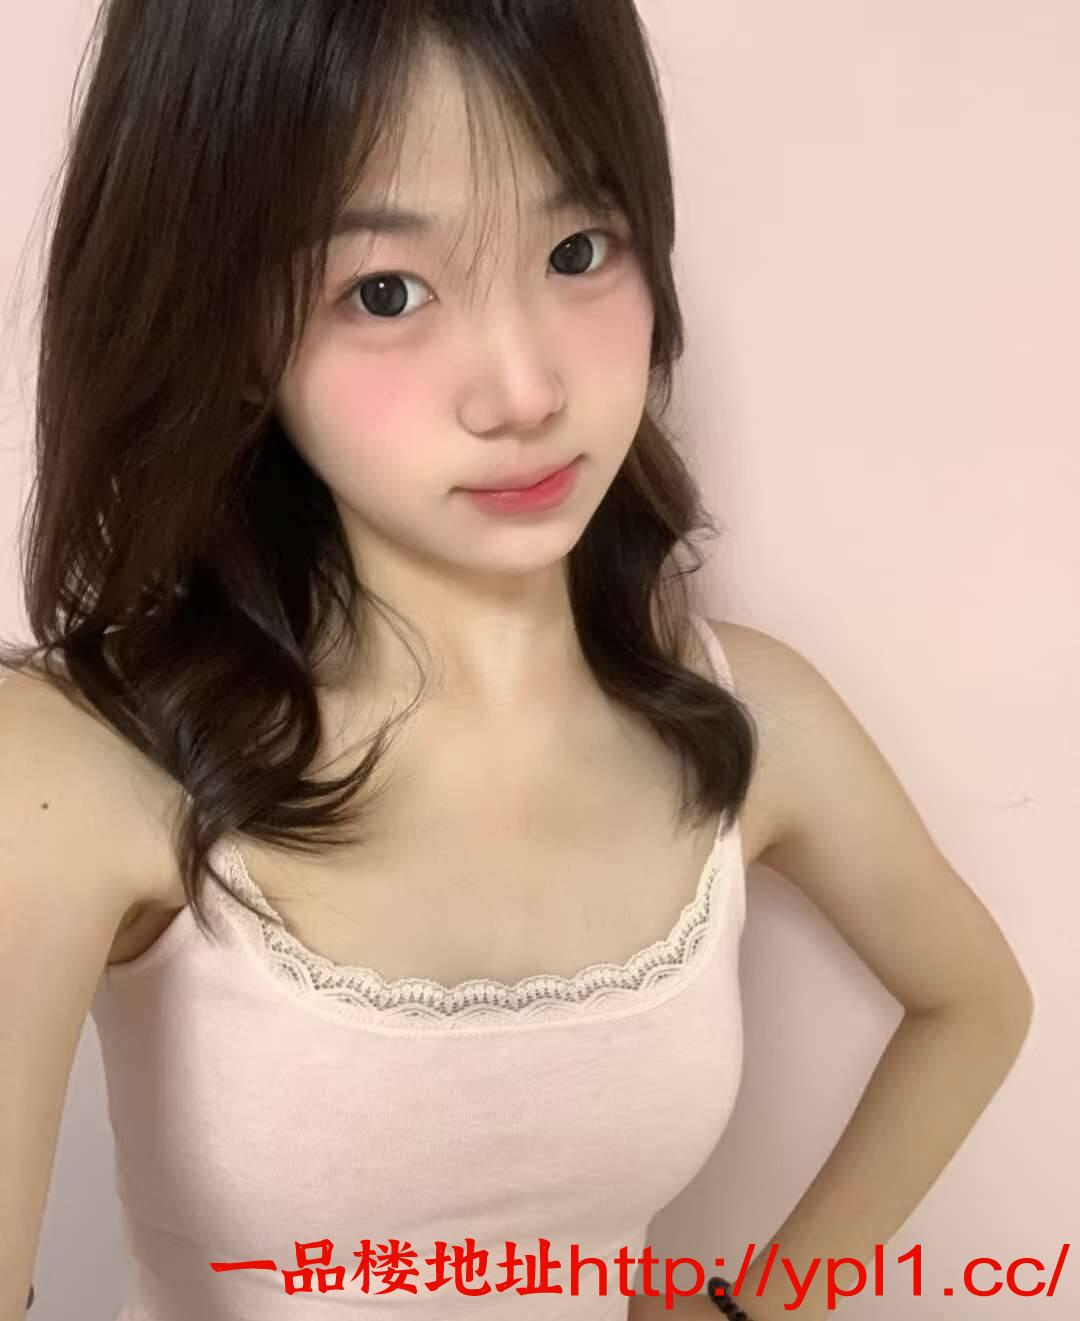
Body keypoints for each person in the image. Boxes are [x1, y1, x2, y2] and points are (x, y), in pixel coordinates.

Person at [0, 3, 1033, 1320]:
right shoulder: (77, 769)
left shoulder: (747, 721)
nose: (525, 389)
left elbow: (976, 1002)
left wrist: (751, 1310)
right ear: (233, 326)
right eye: (385, 291)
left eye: (577, 248)